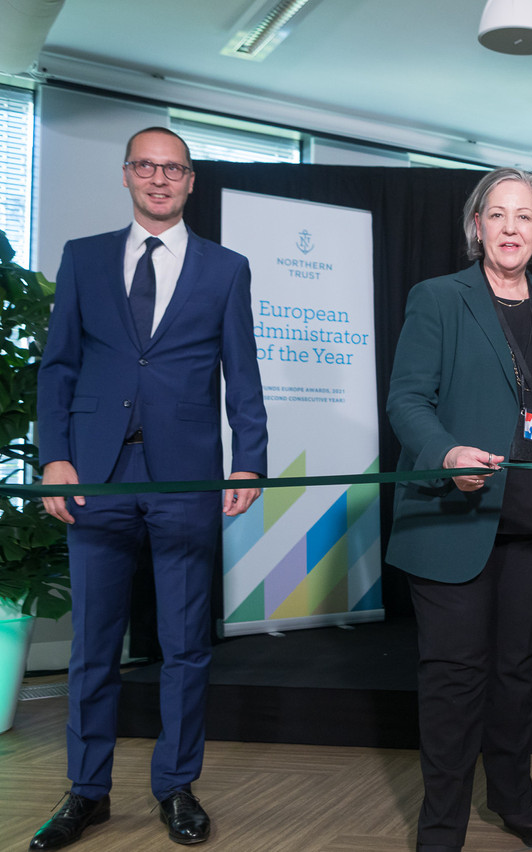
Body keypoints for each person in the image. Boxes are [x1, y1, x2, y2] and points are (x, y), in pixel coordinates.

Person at [32, 127, 267, 849]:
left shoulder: (226, 268)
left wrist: (249, 458)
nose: (159, 179)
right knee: (95, 645)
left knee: (185, 644)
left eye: (173, 168)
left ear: (190, 181)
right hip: (95, 478)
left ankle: (175, 786)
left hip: (187, 476)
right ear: (127, 174)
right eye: (146, 166)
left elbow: (242, 373)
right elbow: (59, 367)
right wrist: (55, 457)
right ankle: (87, 792)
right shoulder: (84, 258)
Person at [385, 168, 532, 852]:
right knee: (453, 681)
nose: (510, 228)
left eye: (524, 217)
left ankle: (512, 800)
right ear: (477, 226)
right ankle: (441, 825)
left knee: (514, 676)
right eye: (497, 215)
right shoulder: (438, 298)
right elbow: (407, 401)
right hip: (454, 520)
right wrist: (445, 455)